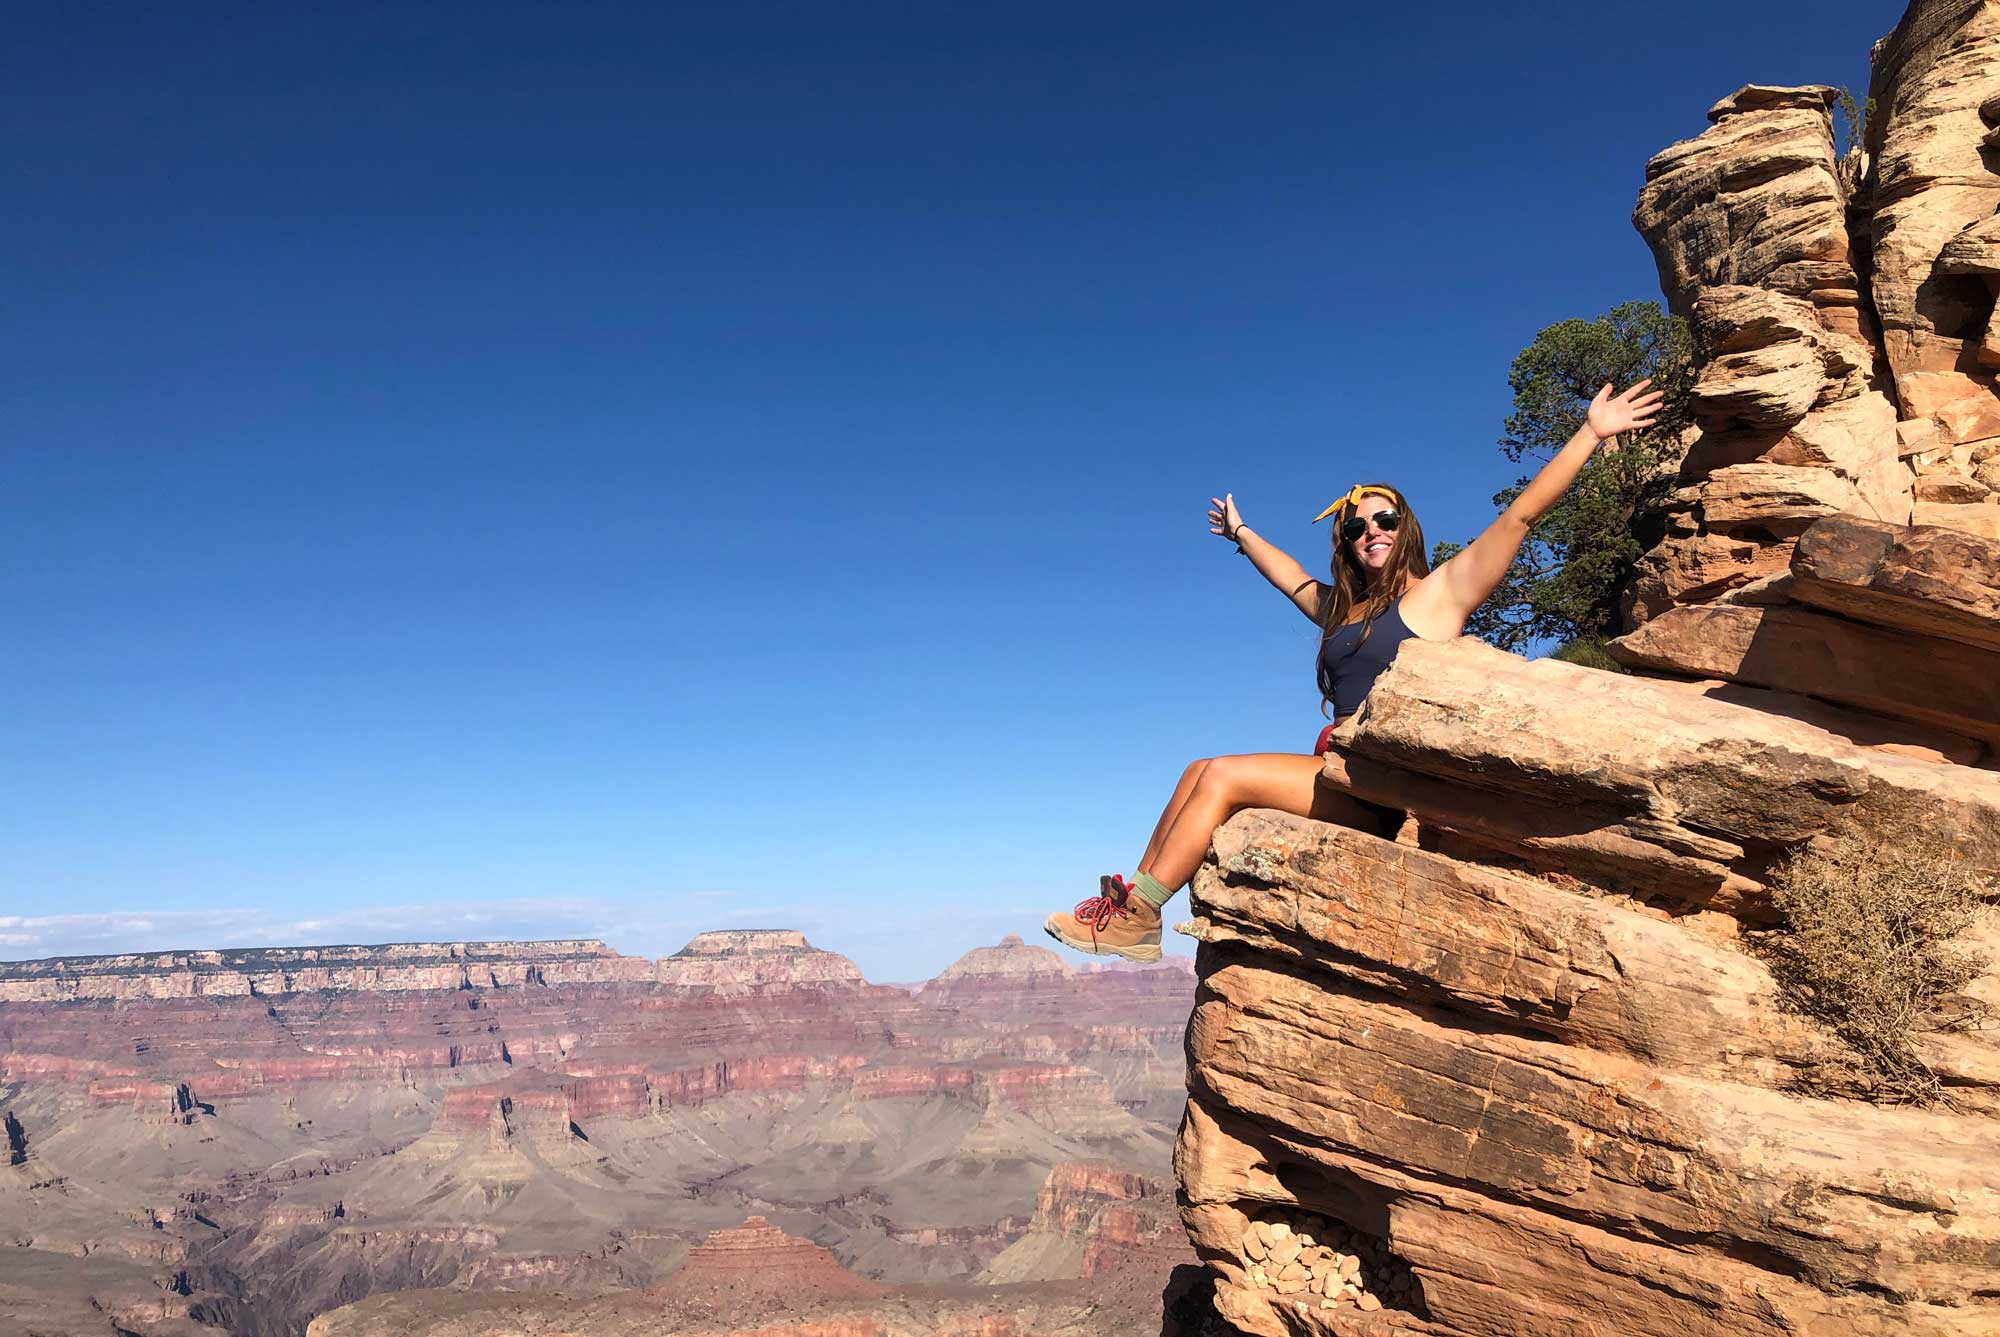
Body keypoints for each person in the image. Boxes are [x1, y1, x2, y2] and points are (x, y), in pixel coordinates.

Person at [1043, 379, 1664, 962]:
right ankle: (1130, 911)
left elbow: (1518, 518)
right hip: (1340, 774)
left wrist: (1591, 433)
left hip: (1380, 789)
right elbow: (1290, 580)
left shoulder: (1441, 595)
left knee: (1224, 776)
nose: (1371, 530)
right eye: (1357, 525)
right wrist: (1241, 532)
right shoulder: (1344, 612)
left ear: (1406, 527)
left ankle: (1142, 913)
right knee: (1196, 769)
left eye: (1384, 519)